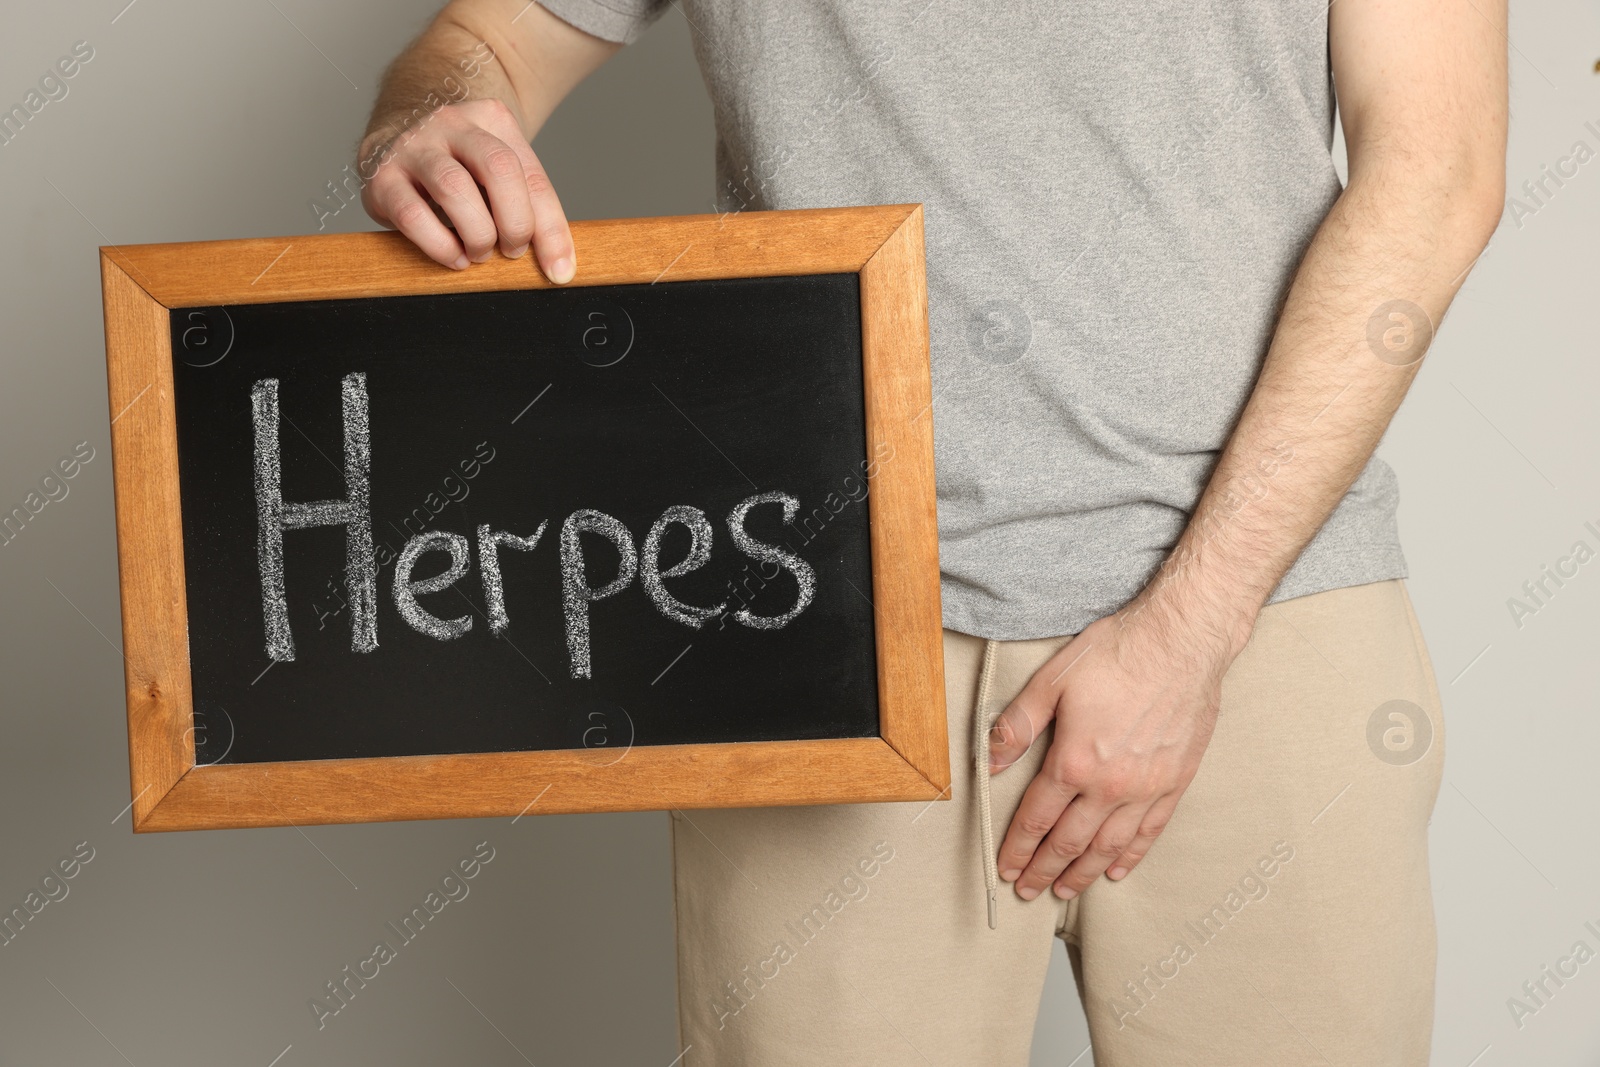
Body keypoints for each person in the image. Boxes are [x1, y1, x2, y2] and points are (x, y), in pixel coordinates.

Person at [356, 2, 1506, 1062]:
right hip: (818, 635)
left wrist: (1191, 629)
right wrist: (428, 122)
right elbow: (486, 44)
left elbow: (1437, 170)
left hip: (1265, 617)